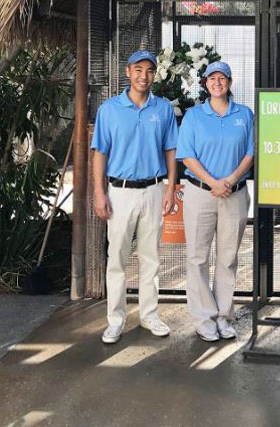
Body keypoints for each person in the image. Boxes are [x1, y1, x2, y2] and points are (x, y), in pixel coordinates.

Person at [91, 50, 178, 344]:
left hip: (154, 189)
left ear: (155, 74)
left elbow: (171, 149)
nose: (144, 76)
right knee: (116, 259)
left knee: (151, 258)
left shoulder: (163, 109)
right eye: (138, 69)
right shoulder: (109, 110)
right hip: (120, 192)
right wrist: (99, 192)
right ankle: (115, 321)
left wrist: (170, 187)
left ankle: (149, 315)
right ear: (128, 72)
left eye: (149, 70)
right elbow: (100, 152)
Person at [175, 61, 254, 342]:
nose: (217, 82)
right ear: (205, 84)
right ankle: (204, 318)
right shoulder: (194, 116)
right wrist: (213, 182)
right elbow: (186, 156)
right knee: (198, 257)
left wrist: (230, 180)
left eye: (222, 78)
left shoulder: (244, 115)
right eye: (212, 78)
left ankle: (224, 316)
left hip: (235, 192)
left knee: (228, 257)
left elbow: (250, 153)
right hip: (200, 193)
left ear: (230, 83)